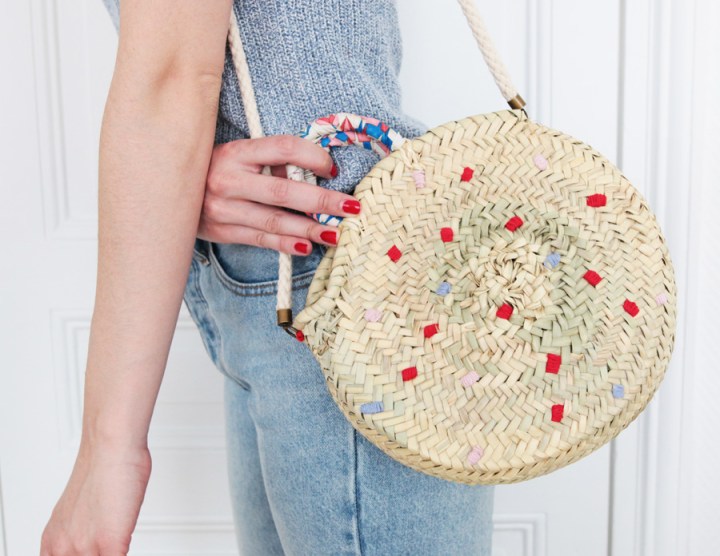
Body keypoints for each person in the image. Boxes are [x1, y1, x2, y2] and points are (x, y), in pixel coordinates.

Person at [40, 1, 495, 554]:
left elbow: (171, 78)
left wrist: (106, 451)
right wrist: (185, 177)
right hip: (287, 269)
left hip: (348, 291)